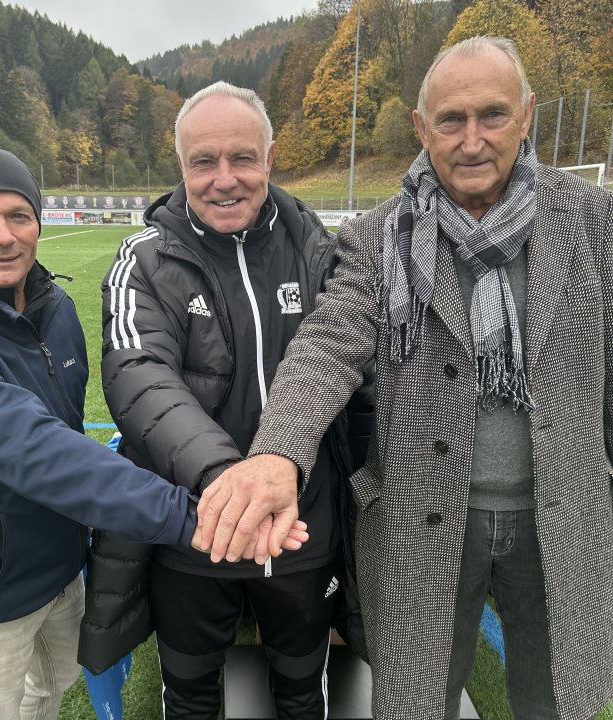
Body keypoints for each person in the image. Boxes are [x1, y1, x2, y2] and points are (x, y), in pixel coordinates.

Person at [196, 36, 613, 720]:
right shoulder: (378, 237)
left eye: (493, 115)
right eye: (451, 120)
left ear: (527, 115)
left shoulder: (595, 224)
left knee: (555, 701)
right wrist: (277, 453)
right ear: (422, 128)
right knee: (420, 701)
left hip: (563, 515)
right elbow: (329, 343)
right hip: (421, 518)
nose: (472, 140)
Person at [0, 144, 204, 720]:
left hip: (61, 563)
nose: (3, 236)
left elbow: (66, 428)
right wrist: (194, 516)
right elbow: (40, 453)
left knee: (53, 685)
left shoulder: (55, 308)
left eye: (18, 215)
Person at [79, 81, 374, 719]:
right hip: (193, 529)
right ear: (180, 165)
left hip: (303, 529)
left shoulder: (321, 251)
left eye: (242, 158)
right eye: (203, 162)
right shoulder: (144, 260)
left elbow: (356, 362)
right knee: (190, 695)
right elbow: (138, 376)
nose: (224, 179)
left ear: (270, 157)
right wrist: (229, 485)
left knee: (302, 690)